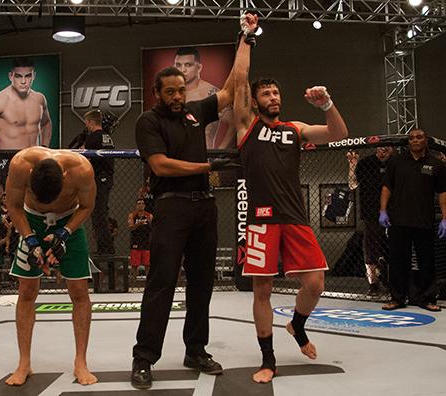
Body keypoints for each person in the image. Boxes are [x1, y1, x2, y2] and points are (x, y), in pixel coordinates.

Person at [130, 15, 253, 390]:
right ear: (158, 93)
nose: (178, 97)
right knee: (161, 283)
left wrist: (246, 39)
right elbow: (160, 165)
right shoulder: (148, 122)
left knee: (202, 283)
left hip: (204, 206)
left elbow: (233, 88)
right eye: (171, 92)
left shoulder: (195, 112)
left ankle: (195, 349)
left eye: (182, 91)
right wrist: (208, 163)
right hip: (171, 206)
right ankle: (144, 358)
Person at [232, 12, 348, 384]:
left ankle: (297, 326)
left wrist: (327, 104)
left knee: (314, 283)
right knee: (262, 290)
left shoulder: (294, 130)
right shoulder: (246, 125)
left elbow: (336, 133)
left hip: (295, 217)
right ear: (255, 100)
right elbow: (238, 82)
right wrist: (246, 37)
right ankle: (268, 359)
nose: (274, 97)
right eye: (266, 93)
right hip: (261, 220)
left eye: (276, 92)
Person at [4, 146, 97, 386]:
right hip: (30, 219)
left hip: (70, 221)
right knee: (26, 291)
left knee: (79, 292)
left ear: (65, 179)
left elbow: (87, 206)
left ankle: (81, 362)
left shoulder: (82, 169)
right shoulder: (20, 164)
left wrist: (64, 234)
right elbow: (14, 205)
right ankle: (24, 362)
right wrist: (31, 240)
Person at [379, 129, 446, 312]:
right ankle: (398, 298)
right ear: (408, 142)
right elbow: (387, 187)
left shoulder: (436, 164)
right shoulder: (396, 162)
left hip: (424, 220)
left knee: (427, 261)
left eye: (419, 137)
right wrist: (383, 211)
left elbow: (442, 192)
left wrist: (445, 218)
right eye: (411, 138)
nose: (415, 140)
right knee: (398, 261)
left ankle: (427, 299)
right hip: (398, 221)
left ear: (426, 140)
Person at [0, 57, 53, 150]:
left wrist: (44, 148)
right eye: (18, 76)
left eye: (28, 76)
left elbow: (46, 123)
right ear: (10, 76)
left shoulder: (39, 99)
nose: (23, 81)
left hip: (33, 158)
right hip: (8, 159)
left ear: (34, 76)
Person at [347, 147, 393, 295]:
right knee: (370, 251)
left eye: (387, 148)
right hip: (370, 213)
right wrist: (353, 165)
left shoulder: (396, 163)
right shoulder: (367, 163)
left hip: (395, 213)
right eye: (380, 148)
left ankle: (395, 282)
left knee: (395, 249)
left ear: (392, 149)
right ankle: (373, 284)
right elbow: (352, 184)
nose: (383, 151)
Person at [173, 47, 235, 149]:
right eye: (178, 65)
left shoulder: (211, 93)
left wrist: (219, 153)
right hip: (176, 159)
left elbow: (234, 123)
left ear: (199, 67)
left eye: (188, 65)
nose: (182, 70)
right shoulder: (172, 96)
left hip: (205, 158)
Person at [83, 109, 116, 255]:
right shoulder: (107, 137)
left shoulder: (93, 138)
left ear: (90, 122)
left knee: (98, 214)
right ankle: (106, 248)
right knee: (101, 212)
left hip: (99, 178)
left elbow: (86, 158)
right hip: (107, 178)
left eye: (87, 123)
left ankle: (106, 249)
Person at [127, 198, 153, 280]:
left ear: (145, 205)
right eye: (139, 203)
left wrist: (149, 222)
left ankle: (148, 282)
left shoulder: (149, 215)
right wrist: (138, 224)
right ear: (136, 205)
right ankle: (133, 281)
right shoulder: (132, 215)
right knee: (134, 265)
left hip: (146, 242)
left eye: (142, 203)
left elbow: (154, 228)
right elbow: (131, 228)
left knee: (147, 264)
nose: (141, 205)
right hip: (135, 242)